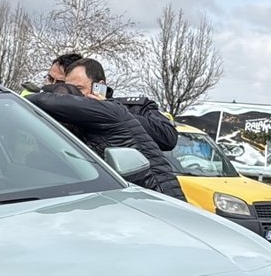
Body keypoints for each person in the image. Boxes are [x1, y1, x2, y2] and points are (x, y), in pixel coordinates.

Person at [29, 82, 186, 200]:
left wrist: (13, 99)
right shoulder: (77, 133)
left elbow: (46, 101)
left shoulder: (109, 110)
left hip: (160, 196)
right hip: (136, 200)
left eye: (80, 89)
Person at [63, 58, 178, 151]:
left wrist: (113, 112)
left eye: (79, 88)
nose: (73, 94)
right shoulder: (67, 114)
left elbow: (168, 138)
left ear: (99, 87)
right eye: (68, 88)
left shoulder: (135, 108)